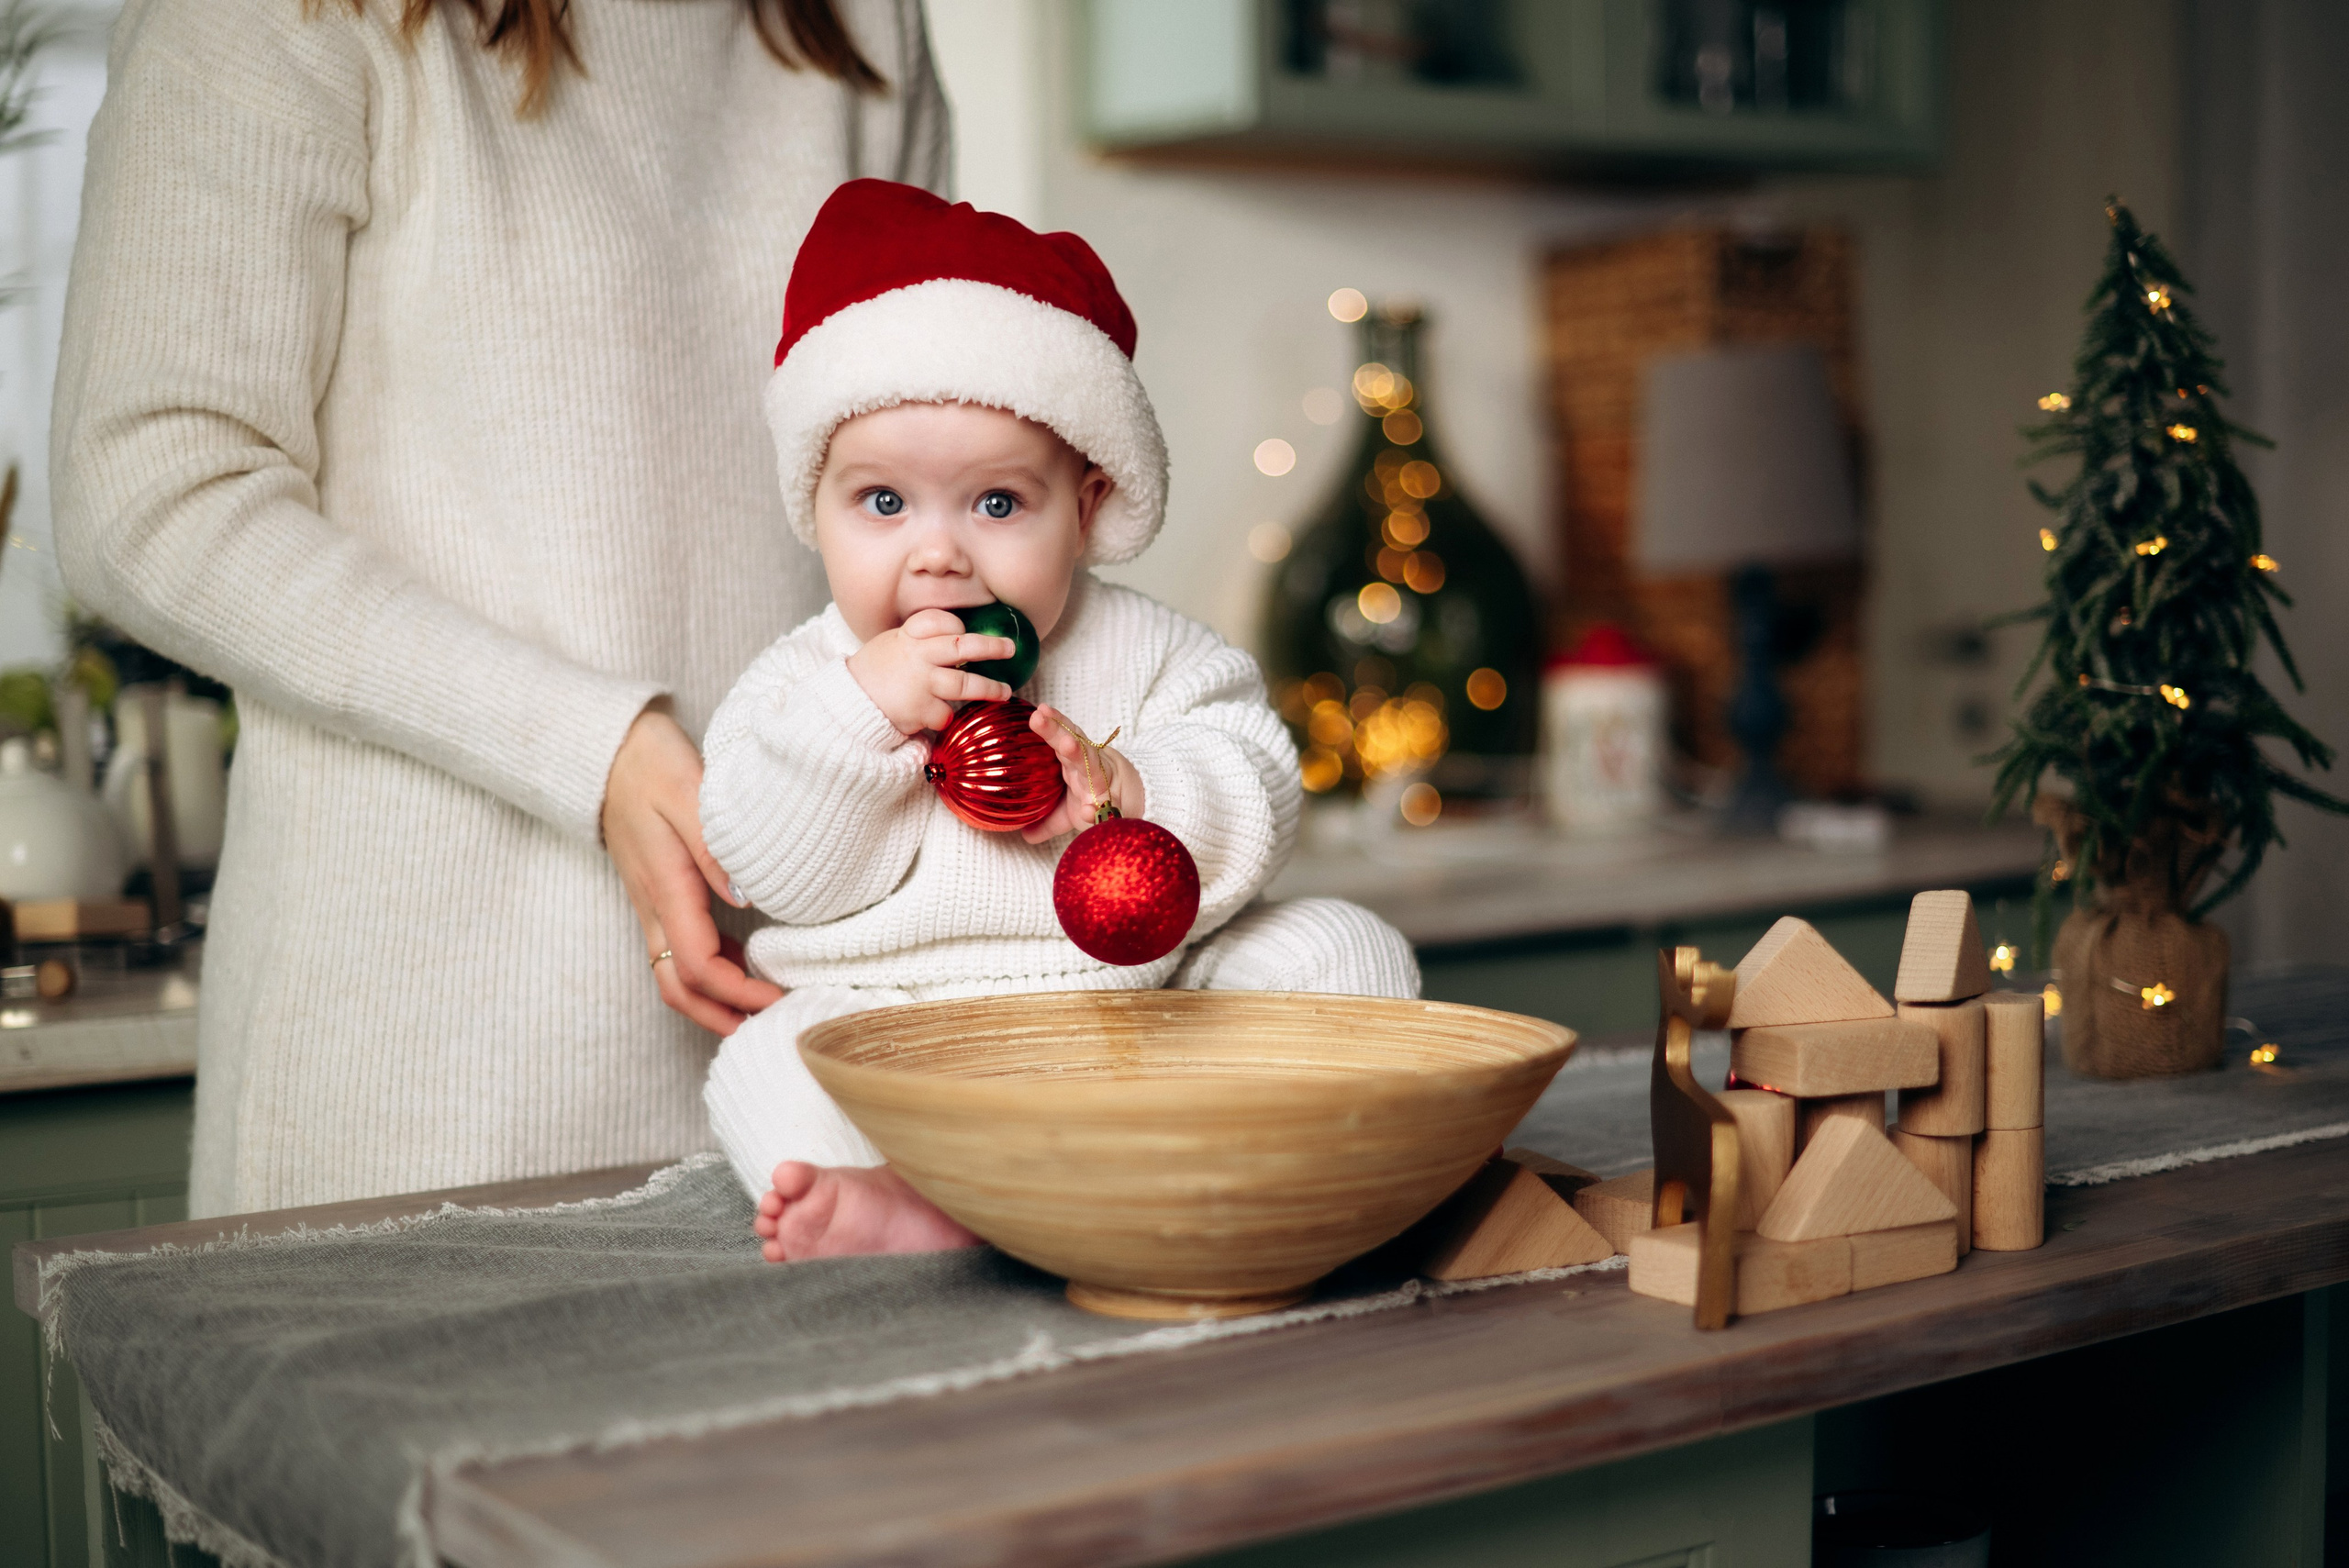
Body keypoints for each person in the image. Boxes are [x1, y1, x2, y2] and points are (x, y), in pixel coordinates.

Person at [50, 0, 946, 1218]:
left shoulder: (866, 25)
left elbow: (939, 470)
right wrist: (600, 751)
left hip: (802, 1068)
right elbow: (147, 494)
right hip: (422, 1085)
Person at [696, 181, 1419, 1259]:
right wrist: (862, 719)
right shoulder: (802, 679)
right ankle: (919, 1204)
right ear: (816, 507)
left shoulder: (1157, 649)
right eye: (883, 503)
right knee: (770, 1058)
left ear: (1084, 510)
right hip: (910, 1032)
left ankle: (1240, 1162)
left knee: (1343, 947)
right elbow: (764, 863)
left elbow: (1258, 786)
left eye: (996, 503)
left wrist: (1132, 788)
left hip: (1148, 1010)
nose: (937, 554)